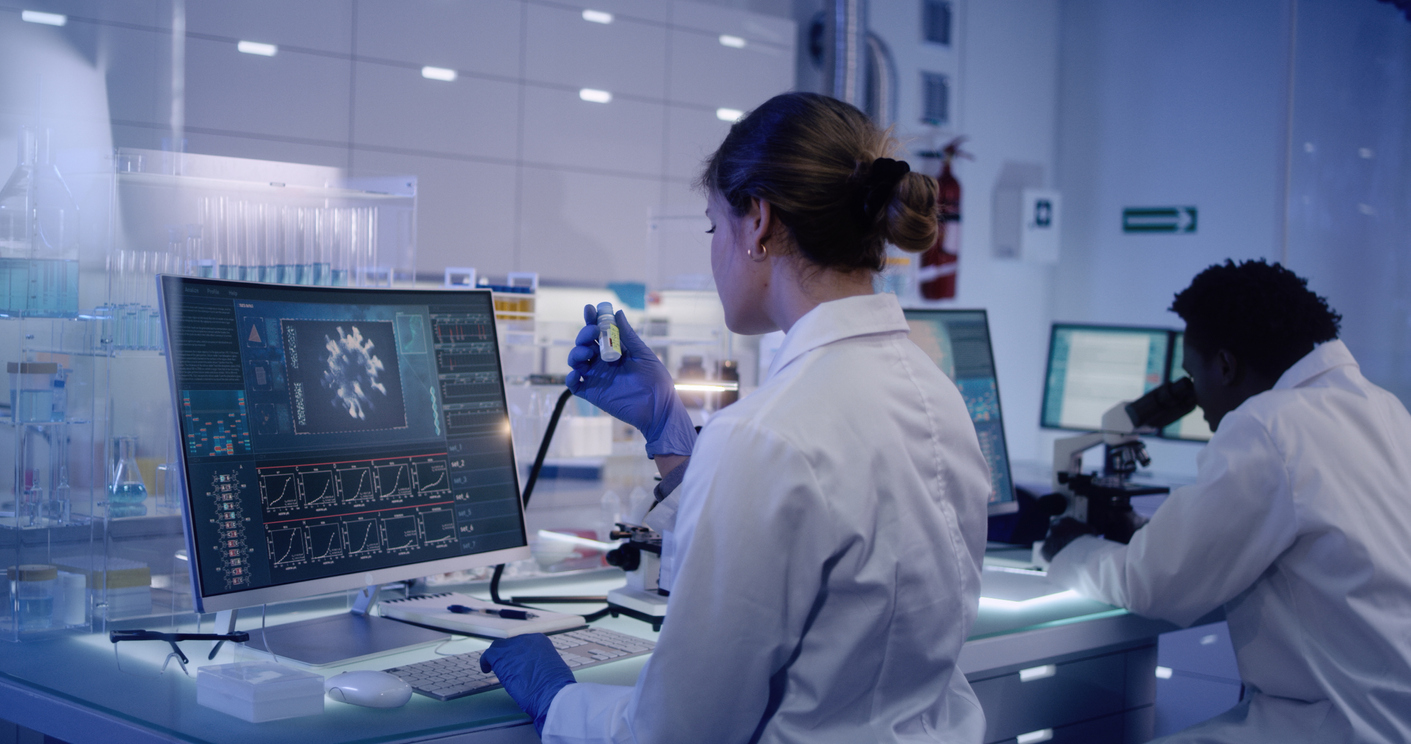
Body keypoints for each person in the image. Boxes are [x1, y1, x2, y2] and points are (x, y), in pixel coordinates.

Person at [479, 92, 993, 743]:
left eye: (711, 227)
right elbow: (816, 572)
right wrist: (668, 431)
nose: (713, 250)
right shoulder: (932, 392)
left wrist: (559, 701)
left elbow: (675, 734)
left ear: (757, 221)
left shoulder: (766, 434)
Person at [1042, 259, 1411, 743]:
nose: (1197, 403)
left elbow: (1152, 582)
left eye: (1194, 379)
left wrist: (1070, 550)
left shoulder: (1267, 425)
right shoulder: (1381, 407)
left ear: (1225, 365)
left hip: (1337, 725)